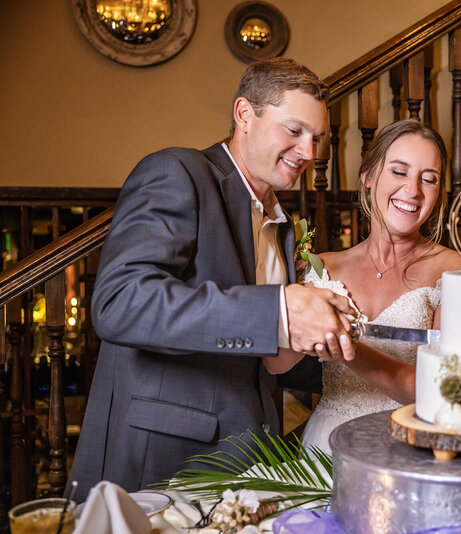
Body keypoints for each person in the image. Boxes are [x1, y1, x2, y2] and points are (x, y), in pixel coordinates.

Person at [68, 58, 357, 502]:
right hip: (165, 460)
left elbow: (253, 348)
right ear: (244, 114)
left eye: (318, 138)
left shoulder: (280, 227)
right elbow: (121, 302)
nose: (310, 152)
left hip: (247, 464)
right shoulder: (178, 172)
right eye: (294, 130)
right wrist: (278, 310)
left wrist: (319, 334)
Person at [263, 119, 461, 454]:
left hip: (409, 448)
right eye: (399, 171)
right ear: (369, 177)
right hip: (326, 447)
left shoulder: (456, 272)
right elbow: (276, 364)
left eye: (428, 179)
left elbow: (441, 392)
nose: (413, 190)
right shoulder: (321, 268)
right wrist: (299, 311)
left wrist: (348, 347)